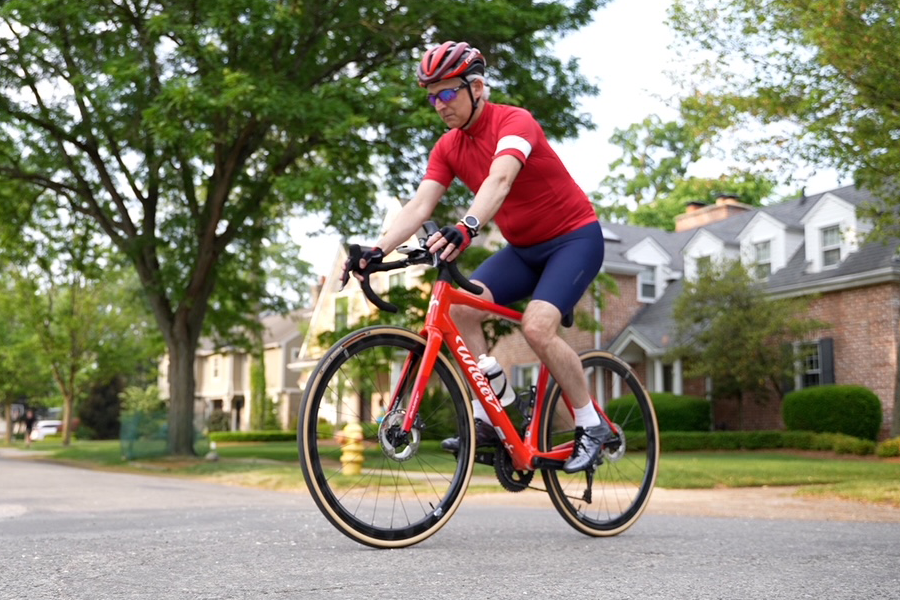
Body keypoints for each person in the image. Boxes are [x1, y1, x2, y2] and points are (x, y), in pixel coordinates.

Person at [345, 41, 611, 473]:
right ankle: (492, 412)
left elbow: (501, 179)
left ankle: (591, 423)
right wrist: (377, 250)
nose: (439, 104)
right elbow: (418, 207)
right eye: (432, 96)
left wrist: (467, 226)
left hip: (574, 240)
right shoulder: (448, 147)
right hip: (523, 250)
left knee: (537, 327)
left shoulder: (514, 122)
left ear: (478, 87)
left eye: (448, 93)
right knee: (463, 311)